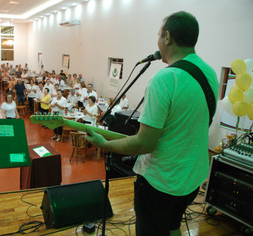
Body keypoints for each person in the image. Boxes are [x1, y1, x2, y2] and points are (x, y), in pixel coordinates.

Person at [86, 11, 219, 236]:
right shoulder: (210, 73)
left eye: (158, 35)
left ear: (167, 37)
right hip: (192, 178)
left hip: (162, 182)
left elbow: (144, 144)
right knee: (172, 225)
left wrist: (104, 143)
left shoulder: (165, 79)